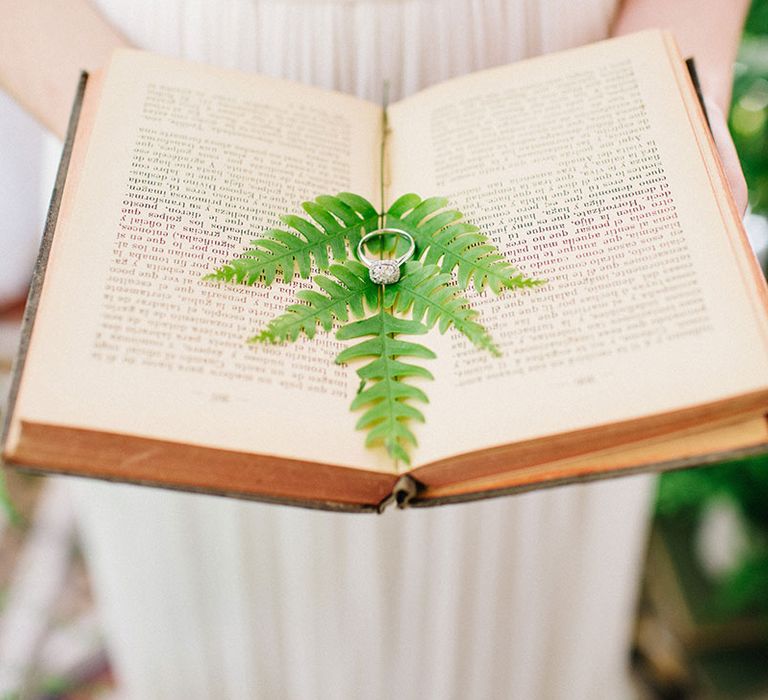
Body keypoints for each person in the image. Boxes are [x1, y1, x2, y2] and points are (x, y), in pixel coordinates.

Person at [0, 1, 752, 697]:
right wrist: (126, 123)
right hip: (159, 104)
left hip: (556, 106)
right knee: (227, 574)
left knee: (513, 584)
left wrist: (678, 82)